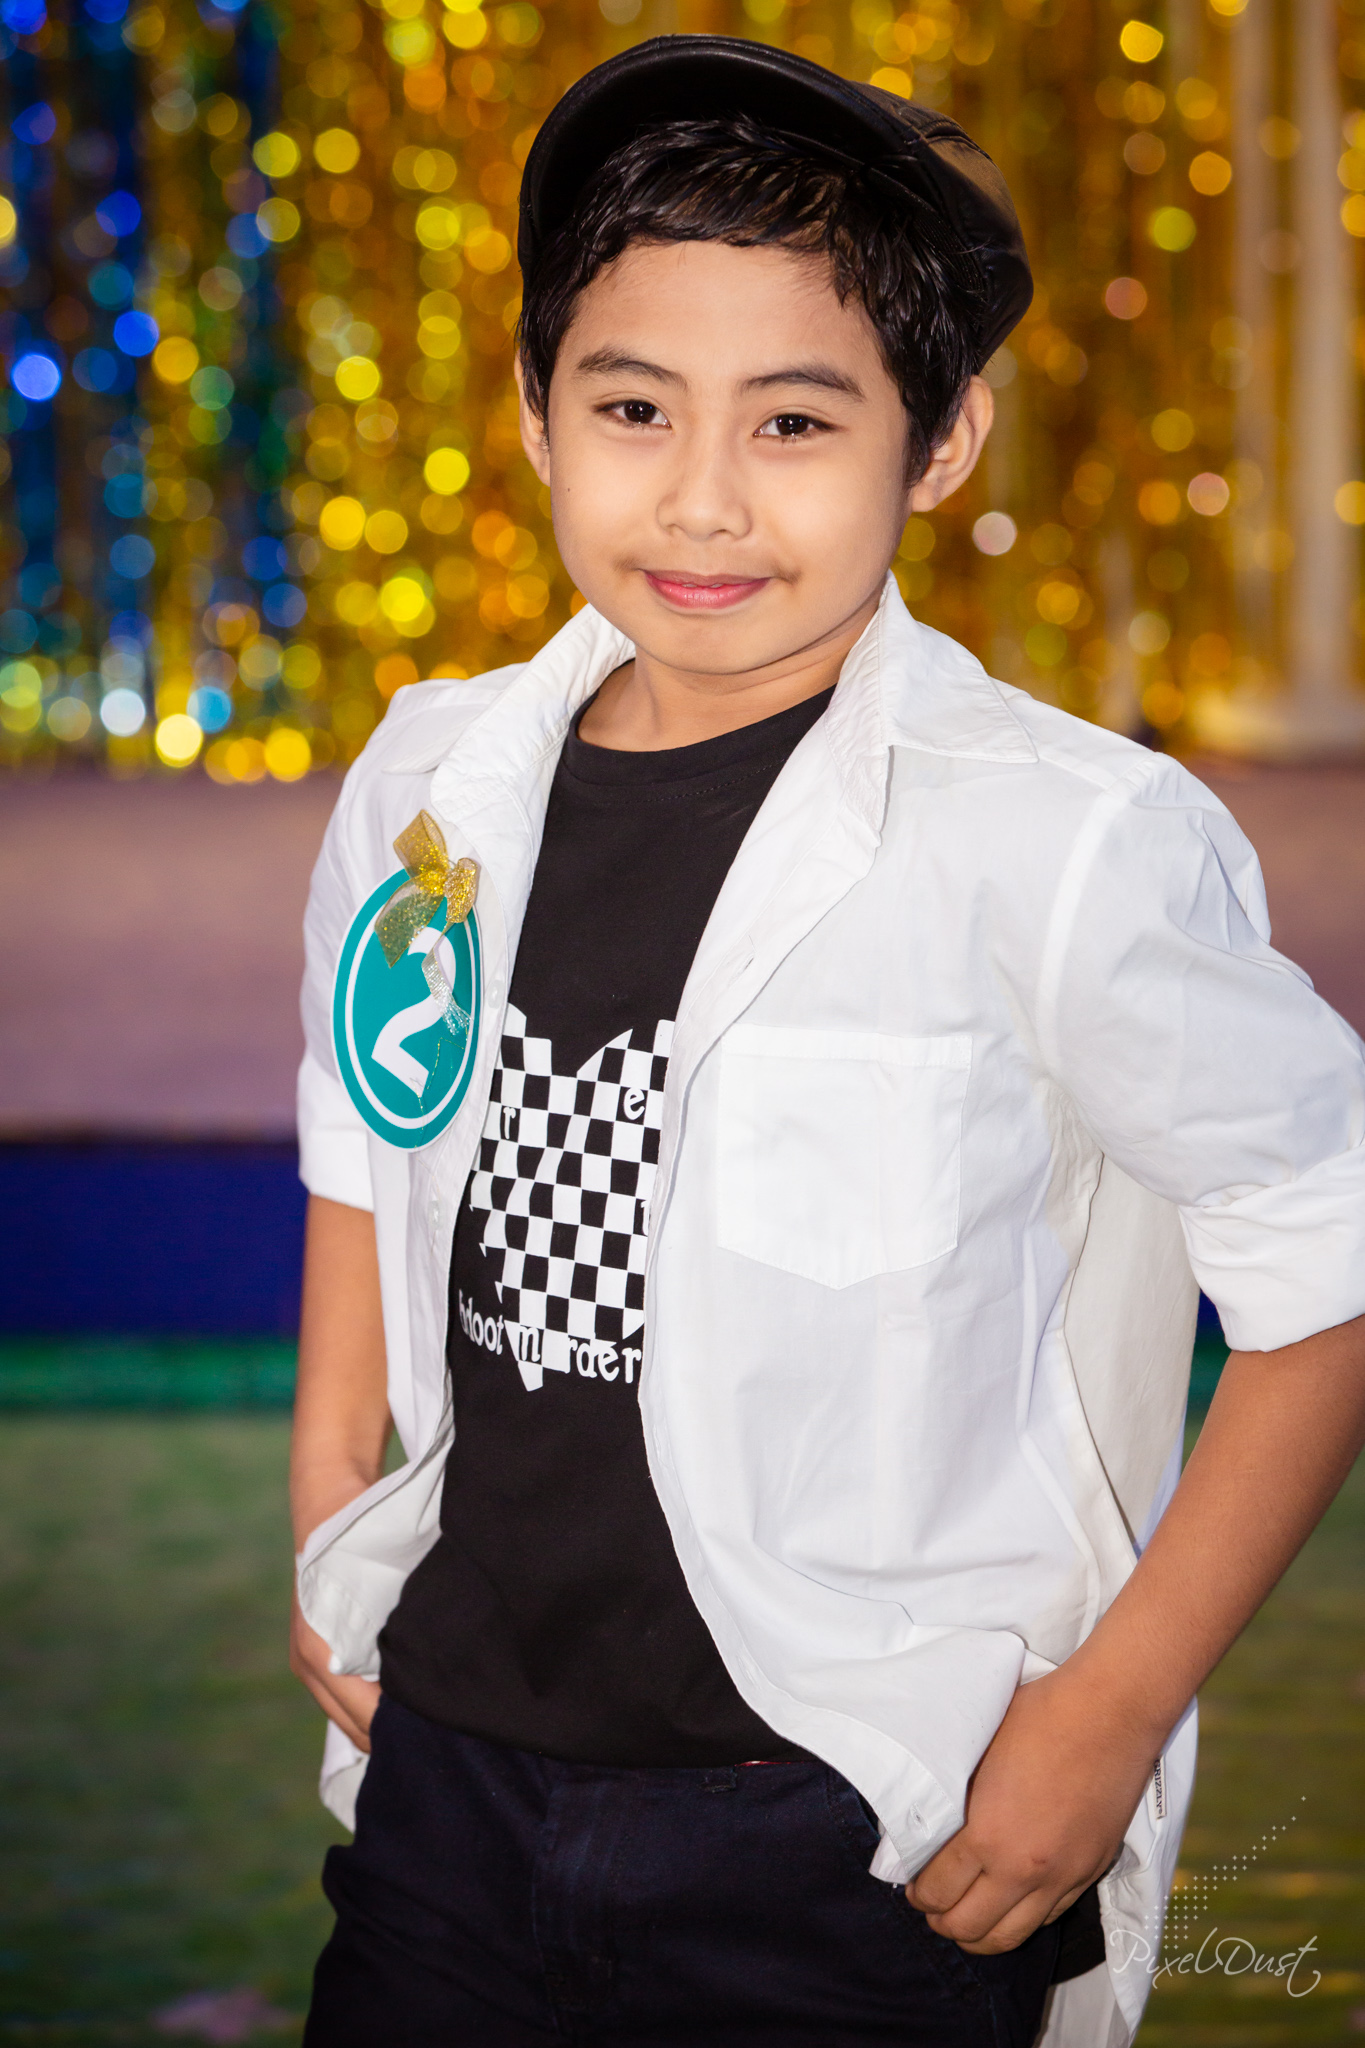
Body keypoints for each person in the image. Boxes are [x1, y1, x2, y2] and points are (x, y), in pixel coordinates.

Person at [290, 36, 1365, 2048]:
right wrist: (324, 1494)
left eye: (793, 421)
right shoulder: (431, 779)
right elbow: (366, 1125)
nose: (701, 498)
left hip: (855, 1824)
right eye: (632, 408)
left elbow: (1328, 1264)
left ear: (938, 443)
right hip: (447, 1782)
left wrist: (1108, 1713)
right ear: (532, 409)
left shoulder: (1062, 840)